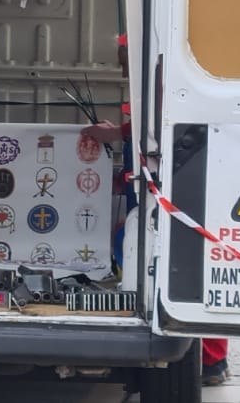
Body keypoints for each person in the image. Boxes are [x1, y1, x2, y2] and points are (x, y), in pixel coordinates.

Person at [83, 116, 229, 386]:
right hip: (163, 189)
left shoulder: (161, 84)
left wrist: (117, 132)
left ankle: (210, 360)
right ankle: (212, 361)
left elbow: (162, 116)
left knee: (185, 271)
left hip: (177, 190)